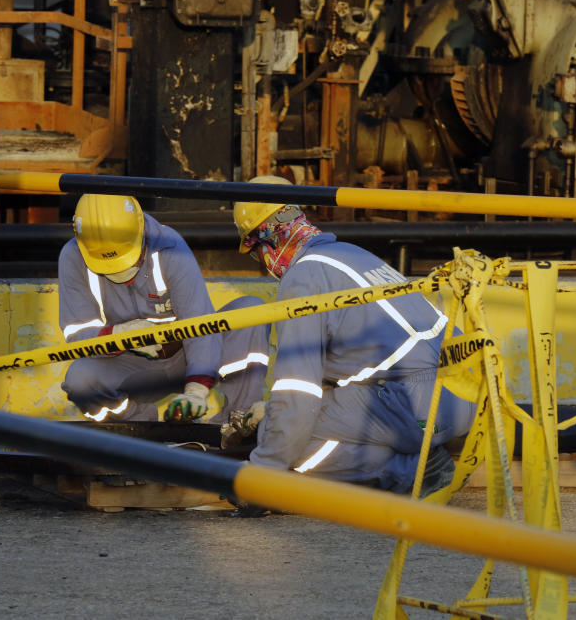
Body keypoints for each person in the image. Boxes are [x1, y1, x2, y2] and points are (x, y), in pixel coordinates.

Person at [231, 176, 475, 495]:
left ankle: (415, 470)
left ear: (267, 239)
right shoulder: (351, 254)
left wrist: (259, 473)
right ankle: (420, 457)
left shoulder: (302, 281)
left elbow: (298, 399)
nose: (262, 264)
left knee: (285, 439)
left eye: (255, 253)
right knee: (286, 422)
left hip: (417, 405)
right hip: (463, 396)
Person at [58, 193, 270, 423]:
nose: (121, 272)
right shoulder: (73, 256)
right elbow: (77, 334)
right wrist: (118, 336)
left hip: (184, 356)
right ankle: (137, 427)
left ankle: (237, 422)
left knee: (251, 312)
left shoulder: (169, 245)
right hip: (131, 366)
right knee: (79, 380)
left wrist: (196, 391)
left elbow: (200, 324)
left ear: (141, 229)